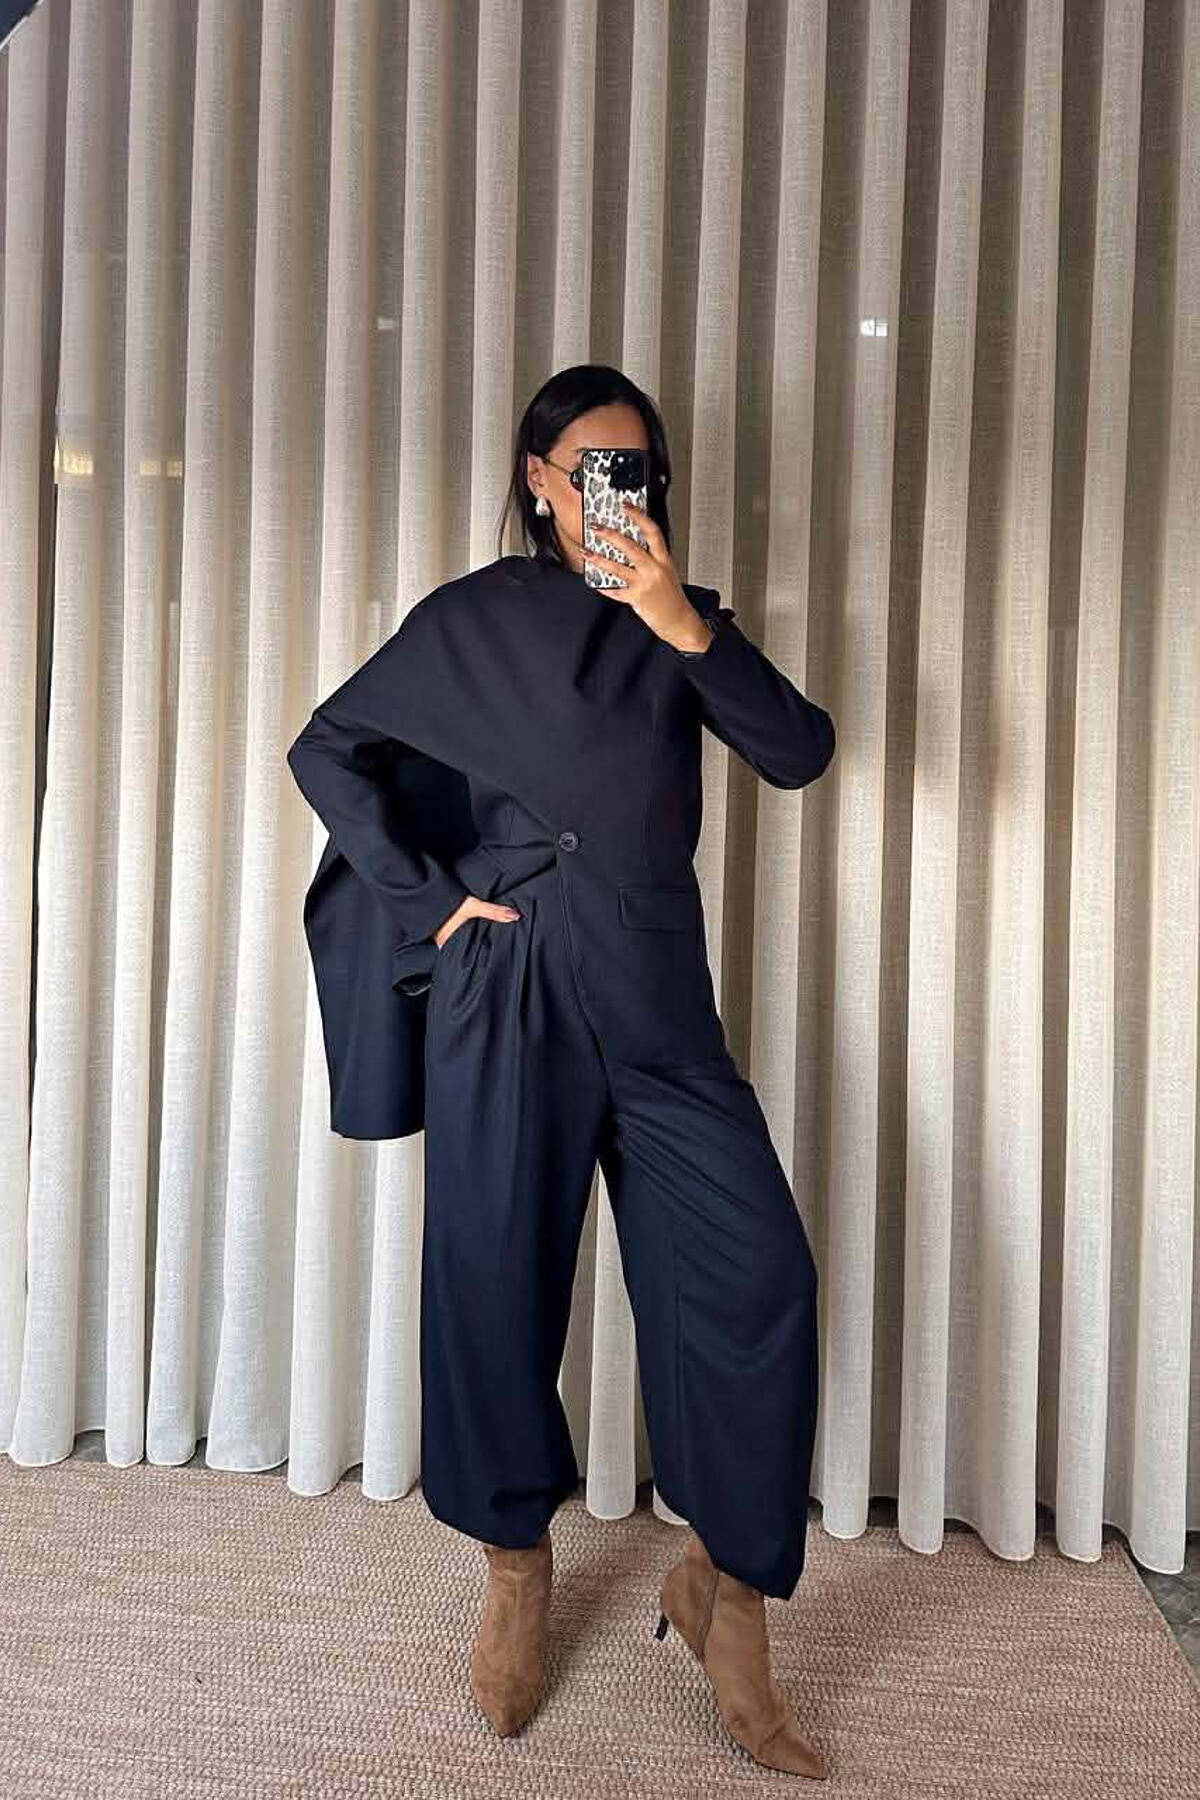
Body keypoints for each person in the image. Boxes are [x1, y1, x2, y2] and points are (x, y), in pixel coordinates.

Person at [286, 364, 835, 1779]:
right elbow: (327, 747)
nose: (610, 493)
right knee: (492, 1279)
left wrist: (678, 619)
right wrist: (429, 904)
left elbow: (798, 751)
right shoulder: (470, 620)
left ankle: (725, 1590)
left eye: (632, 469)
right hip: (509, 986)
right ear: (538, 482)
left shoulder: (681, 620)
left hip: (656, 1000)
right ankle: (517, 1570)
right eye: (588, 469)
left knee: (757, 1273)